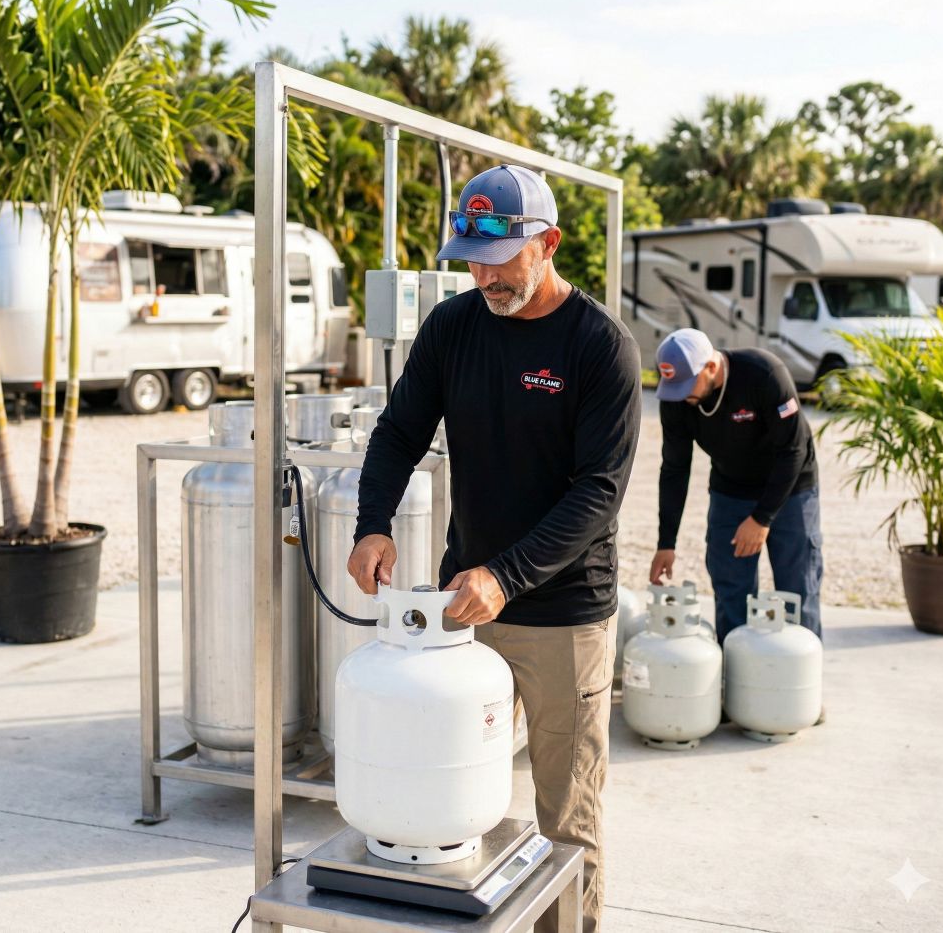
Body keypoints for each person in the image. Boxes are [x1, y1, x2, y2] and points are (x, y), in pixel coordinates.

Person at [347, 163, 641, 933]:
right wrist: (371, 520)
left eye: (501, 257)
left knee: (564, 818)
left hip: (562, 619)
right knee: (451, 802)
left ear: (547, 243)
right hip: (464, 609)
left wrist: (507, 575)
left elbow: (598, 493)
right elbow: (400, 430)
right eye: (471, 257)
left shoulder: (600, 347)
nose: (484, 274)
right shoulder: (453, 325)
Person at [648, 328, 823, 644]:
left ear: (711, 367)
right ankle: (736, 674)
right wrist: (666, 542)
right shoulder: (676, 396)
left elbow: (793, 450)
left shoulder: (764, 373)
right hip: (731, 488)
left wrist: (762, 519)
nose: (681, 395)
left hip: (790, 488)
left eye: (688, 384)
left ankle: (801, 683)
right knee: (731, 587)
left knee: (796, 589)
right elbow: (674, 469)